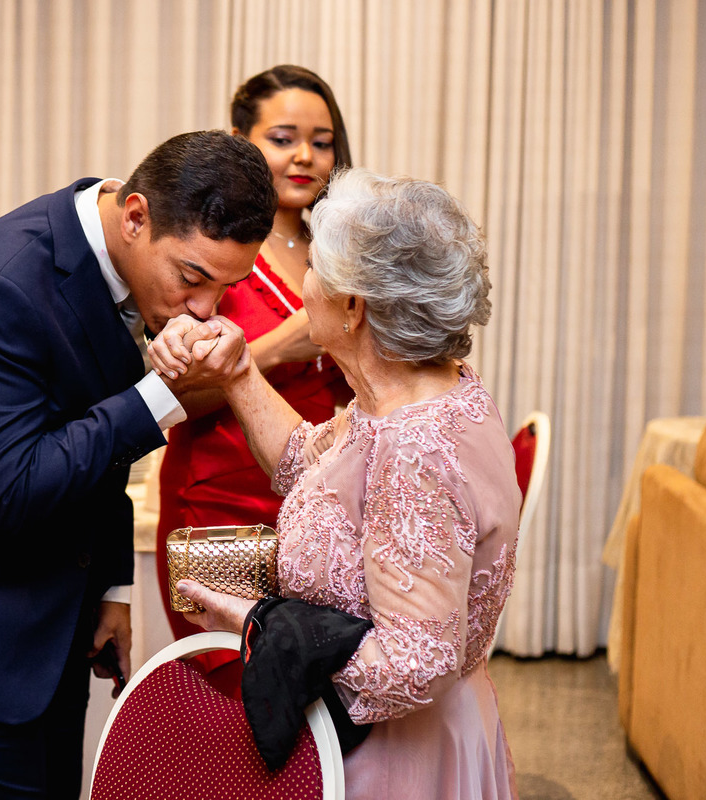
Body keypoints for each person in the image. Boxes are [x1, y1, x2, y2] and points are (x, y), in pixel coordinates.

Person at [0, 130, 276, 799]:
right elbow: (14, 487)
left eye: (226, 288)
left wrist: (112, 586)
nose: (205, 309)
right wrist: (159, 394)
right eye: (192, 278)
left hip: (55, 615)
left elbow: (89, 440)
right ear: (134, 217)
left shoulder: (120, 262)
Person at [149, 168, 521, 798]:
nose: (303, 283)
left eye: (316, 268)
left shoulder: (413, 448)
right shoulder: (417, 392)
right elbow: (308, 466)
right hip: (408, 736)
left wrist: (264, 625)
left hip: (396, 757)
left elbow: (415, 663)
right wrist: (241, 371)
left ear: (354, 307)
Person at [155, 65, 354, 640]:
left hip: (318, 506)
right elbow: (168, 399)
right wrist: (275, 349)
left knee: (306, 690)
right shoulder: (215, 251)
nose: (305, 159)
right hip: (220, 507)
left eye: (321, 143)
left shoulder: (337, 254)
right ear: (241, 143)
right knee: (234, 680)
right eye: (283, 139)